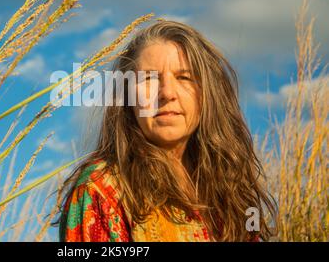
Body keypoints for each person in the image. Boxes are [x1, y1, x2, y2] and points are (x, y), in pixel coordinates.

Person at [55, 20, 277, 242]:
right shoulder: (100, 190)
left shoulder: (232, 187)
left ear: (208, 94)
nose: (167, 93)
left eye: (184, 78)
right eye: (149, 78)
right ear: (127, 97)